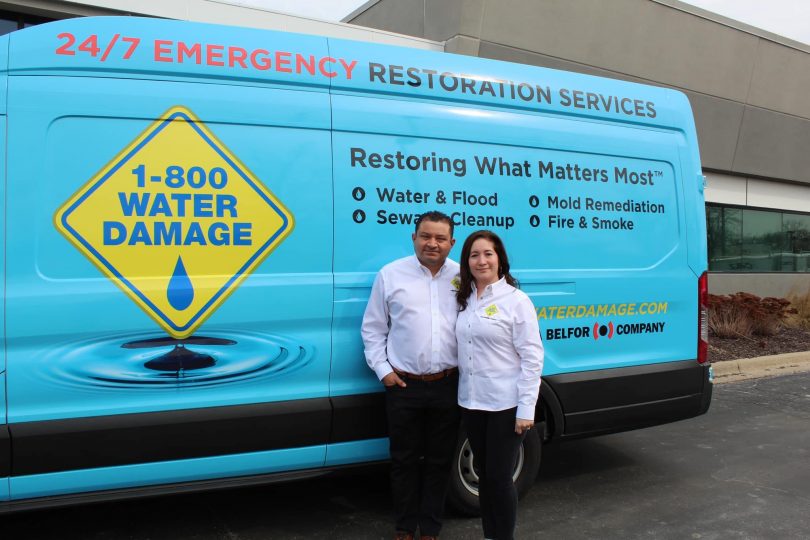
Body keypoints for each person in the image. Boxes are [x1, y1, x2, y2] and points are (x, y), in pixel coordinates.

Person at [361, 211, 461, 540]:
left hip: (448, 384)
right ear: (414, 237)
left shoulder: (464, 277)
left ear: (451, 243)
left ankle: (430, 527)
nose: (432, 243)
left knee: (439, 461)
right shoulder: (390, 275)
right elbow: (373, 329)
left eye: (440, 238)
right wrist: (384, 371)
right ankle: (405, 527)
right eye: (425, 236)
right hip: (403, 385)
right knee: (403, 460)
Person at [455, 230, 543, 540]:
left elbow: (532, 357)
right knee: (485, 477)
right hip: (471, 402)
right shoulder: (464, 299)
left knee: (500, 478)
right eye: (474, 255)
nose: (481, 260)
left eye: (488, 253)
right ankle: (490, 534)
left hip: (506, 405)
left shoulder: (516, 301)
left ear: (499, 259)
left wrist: (526, 409)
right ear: (467, 262)